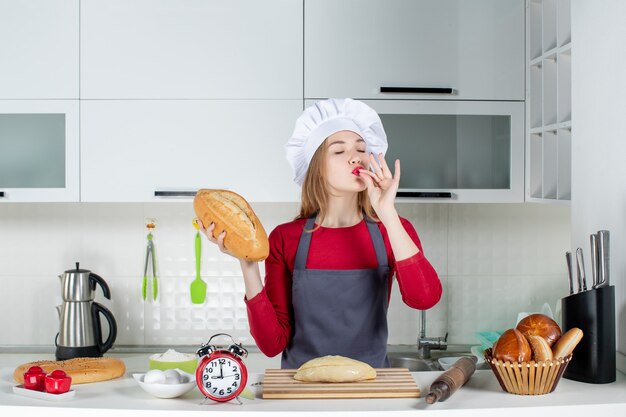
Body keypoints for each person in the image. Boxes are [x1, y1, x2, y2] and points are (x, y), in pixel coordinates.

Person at [199, 98, 441, 369]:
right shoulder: (284, 238)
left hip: (370, 388)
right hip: (300, 389)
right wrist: (248, 264)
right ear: (316, 167)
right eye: (339, 151)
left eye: (361, 149)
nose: (356, 157)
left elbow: (425, 298)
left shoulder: (393, 229)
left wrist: (387, 212)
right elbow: (272, 344)